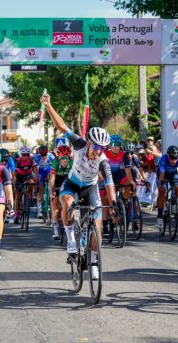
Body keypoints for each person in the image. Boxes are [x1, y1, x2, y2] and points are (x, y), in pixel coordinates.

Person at [40, 94, 117, 280]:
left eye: (103, 147)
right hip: (72, 184)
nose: (99, 150)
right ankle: (71, 241)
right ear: (89, 142)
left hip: (90, 188)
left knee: (96, 228)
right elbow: (62, 126)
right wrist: (49, 105)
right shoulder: (79, 144)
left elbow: (109, 183)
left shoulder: (103, 160)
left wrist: (113, 203)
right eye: (96, 146)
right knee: (67, 203)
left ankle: (94, 262)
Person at [101, 134, 136, 236]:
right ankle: (105, 225)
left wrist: (131, 182)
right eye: (113, 144)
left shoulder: (124, 155)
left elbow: (128, 171)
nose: (116, 147)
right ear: (110, 145)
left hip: (119, 175)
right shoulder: (105, 154)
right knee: (106, 199)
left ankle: (123, 203)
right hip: (107, 175)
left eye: (118, 144)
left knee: (129, 187)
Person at [156, 145, 178, 229]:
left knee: (177, 187)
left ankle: (174, 202)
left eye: (176, 158)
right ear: (168, 156)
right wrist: (161, 184)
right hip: (162, 175)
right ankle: (160, 215)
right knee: (162, 191)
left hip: (173, 174)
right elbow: (161, 175)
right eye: (172, 158)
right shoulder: (163, 160)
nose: (174, 161)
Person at [49, 145, 73, 239]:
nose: (65, 160)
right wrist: (52, 191)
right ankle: (56, 228)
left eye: (67, 158)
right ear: (59, 157)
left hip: (68, 180)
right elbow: (52, 179)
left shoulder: (72, 161)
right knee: (54, 203)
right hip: (57, 180)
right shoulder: (55, 162)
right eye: (62, 158)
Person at [13, 146, 39, 224]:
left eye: (27, 155)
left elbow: (35, 173)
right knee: (18, 195)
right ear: (21, 155)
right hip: (19, 176)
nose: (25, 157)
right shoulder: (17, 161)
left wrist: (36, 182)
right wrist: (14, 185)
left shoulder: (31, 160)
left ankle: (30, 198)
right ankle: (16, 215)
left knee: (31, 182)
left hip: (28, 175)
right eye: (23, 155)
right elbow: (14, 175)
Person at [33, 145, 55, 218]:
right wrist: (37, 178)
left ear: (47, 153)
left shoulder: (51, 156)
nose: (44, 157)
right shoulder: (36, 157)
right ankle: (40, 210)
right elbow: (35, 169)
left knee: (51, 185)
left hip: (48, 170)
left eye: (45, 155)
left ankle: (51, 200)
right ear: (39, 154)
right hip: (41, 172)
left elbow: (54, 168)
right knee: (40, 189)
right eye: (42, 155)